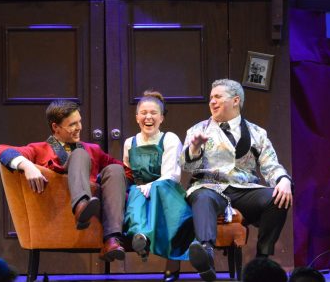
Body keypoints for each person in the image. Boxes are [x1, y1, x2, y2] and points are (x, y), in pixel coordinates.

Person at [179, 79, 293, 281]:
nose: (212, 102)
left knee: (278, 197)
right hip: (209, 186)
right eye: (211, 98)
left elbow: (270, 165)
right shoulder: (198, 130)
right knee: (203, 197)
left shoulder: (257, 133)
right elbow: (187, 167)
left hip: (243, 188)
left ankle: (262, 259)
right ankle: (206, 254)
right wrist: (194, 148)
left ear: (235, 100)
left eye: (218, 97)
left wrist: (283, 179)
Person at [0, 100, 131, 262]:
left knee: (115, 169)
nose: (79, 127)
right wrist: (27, 165)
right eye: (72, 124)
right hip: (59, 210)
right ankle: (81, 205)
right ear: (55, 127)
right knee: (79, 154)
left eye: (79, 121)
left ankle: (111, 240)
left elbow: (126, 171)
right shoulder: (39, 149)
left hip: (98, 211)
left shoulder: (93, 149)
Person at [123, 91, 194, 282]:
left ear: (161, 117)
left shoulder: (169, 139)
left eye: (154, 113)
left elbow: (172, 174)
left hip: (166, 190)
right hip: (141, 191)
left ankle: (172, 265)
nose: (148, 117)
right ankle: (142, 238)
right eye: (144, 112)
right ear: (137, 117)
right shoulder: (130, 143)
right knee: (135, 193)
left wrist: (152, 185)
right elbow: (129, 172)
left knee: (158, 191)